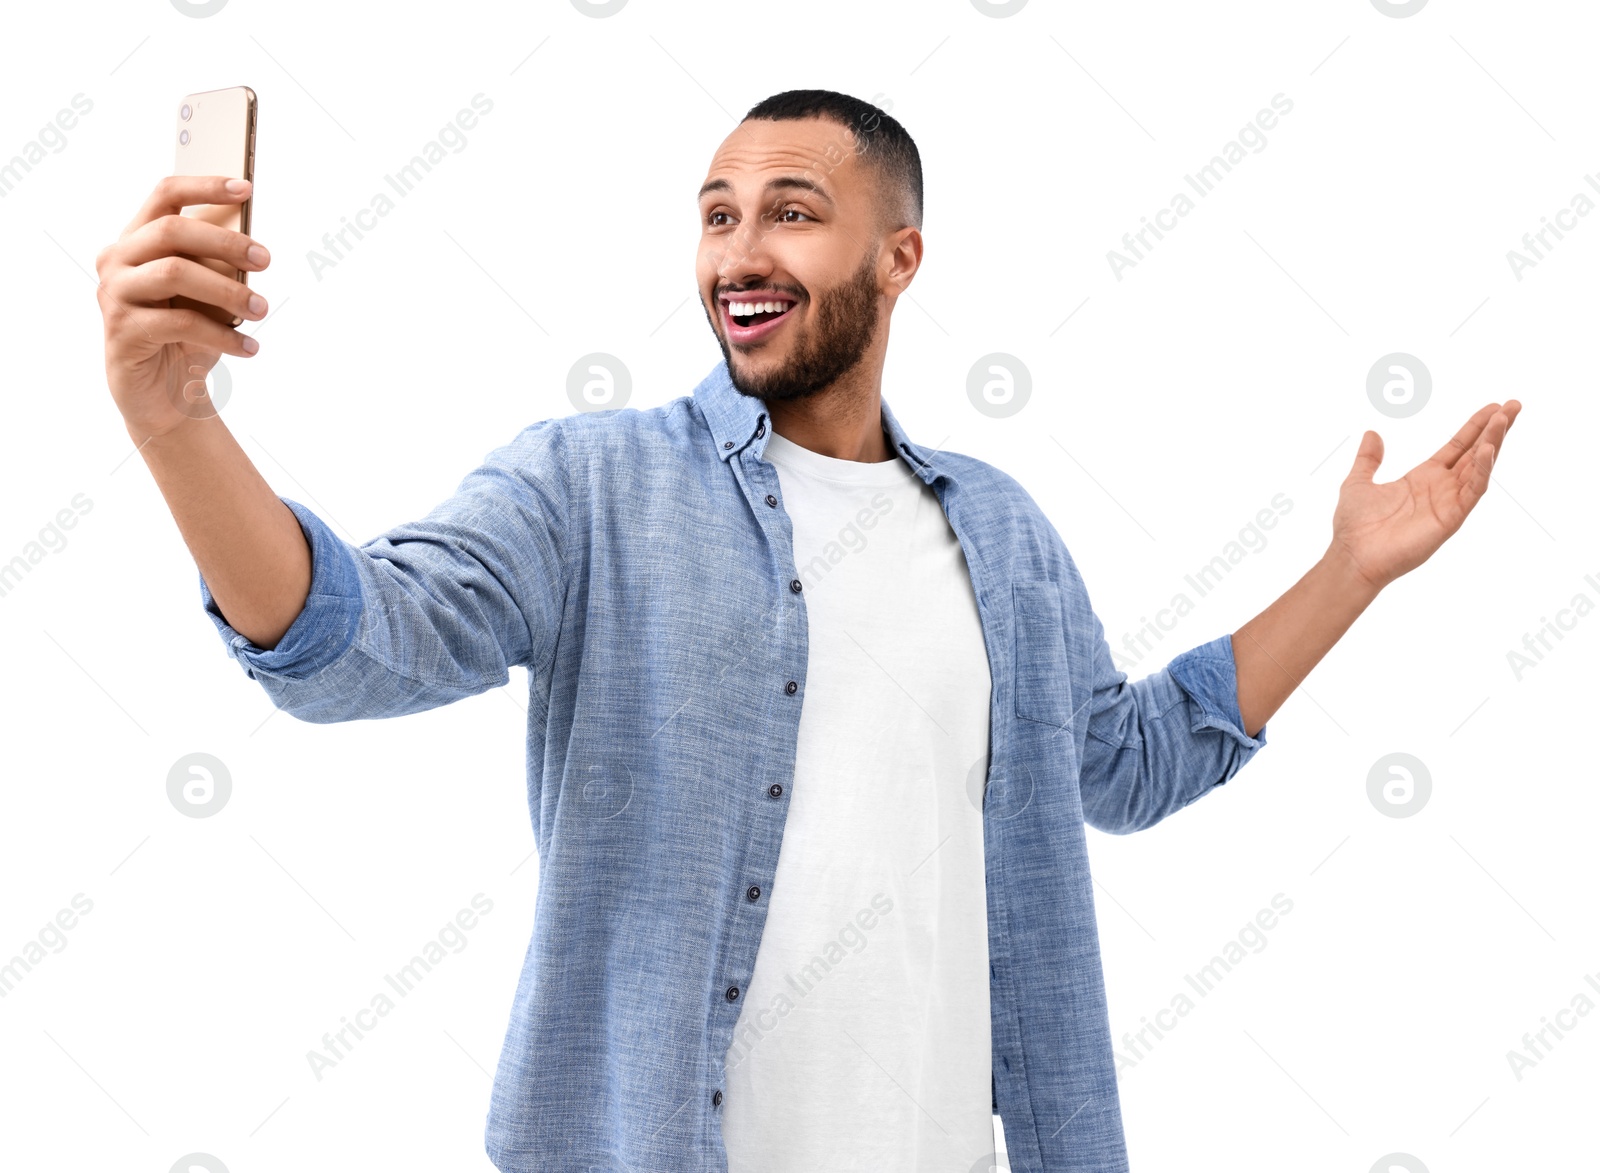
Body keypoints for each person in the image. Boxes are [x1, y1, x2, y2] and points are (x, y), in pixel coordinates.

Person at [94, 89, 1520, 1173]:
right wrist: (177, 427)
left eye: (788, 210)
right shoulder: (595, 484)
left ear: (897, 256)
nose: (739, 249)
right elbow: (351, 641)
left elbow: (1128, 760)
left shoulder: (1001, 533)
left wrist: (1351, 572)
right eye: (717, 215)